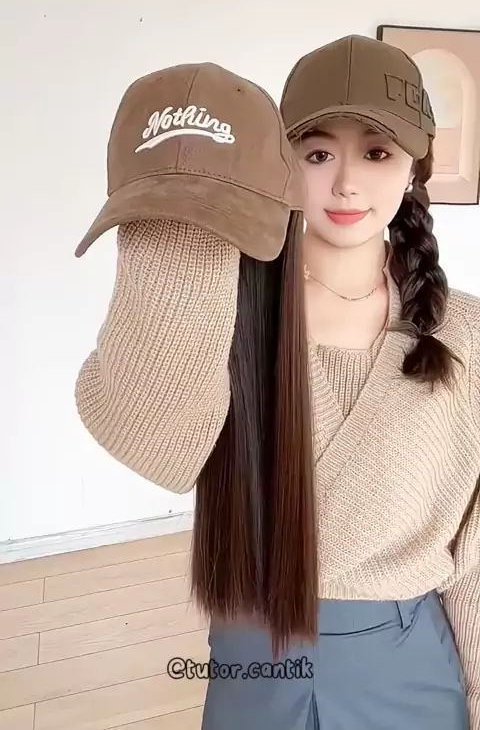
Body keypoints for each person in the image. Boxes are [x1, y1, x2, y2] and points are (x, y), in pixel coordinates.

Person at [74, 38, 480, 730]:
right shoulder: (220, 309)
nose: (346, 183)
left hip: (408, 661)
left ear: (416, 168)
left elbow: (474, 555)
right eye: (317, 154)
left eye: (377, 153)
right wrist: (185, 220)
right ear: (280, 166)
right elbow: (149, 444)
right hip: (254, 654)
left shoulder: (464, 334)